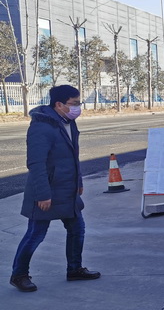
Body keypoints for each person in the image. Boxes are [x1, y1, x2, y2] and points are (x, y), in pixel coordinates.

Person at [10, 85, 100, 292]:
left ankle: (74, 269)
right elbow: (36, 163)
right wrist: (43, 194)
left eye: (79, 103)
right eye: (74, 103)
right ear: (59, 104)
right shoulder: (41, 127)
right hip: (46, 192)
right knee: (36, 234)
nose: (78, 107)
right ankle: (19, 275)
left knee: (77, 229)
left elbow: (73, 157)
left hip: (68, 190)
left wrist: (79, 182)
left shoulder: (69, 123)